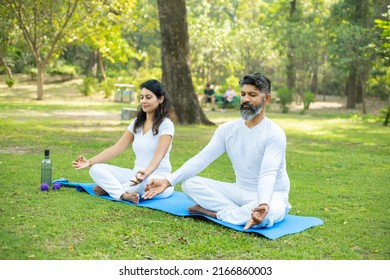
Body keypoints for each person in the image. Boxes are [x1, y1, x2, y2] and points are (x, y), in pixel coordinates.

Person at [142, 73, 291, 230]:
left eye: (252, 95)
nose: (246, 99)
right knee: (190, 184)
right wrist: (167, 181)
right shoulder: (227, 130)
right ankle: (240, 214)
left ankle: (214, 213)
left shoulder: (274, 133)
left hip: (272, 195)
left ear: (266, 99)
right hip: (239, 192)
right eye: (243, 94)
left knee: (267, 214)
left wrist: (263, 203)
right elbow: (202, 158)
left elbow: (268, 174)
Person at [72, 79, 175, 204]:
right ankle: (123, 194)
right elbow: (116, 148)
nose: (144, 101)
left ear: (161, 99)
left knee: (144, 186)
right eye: (141, 97)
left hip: (157, 178)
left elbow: (159, 156)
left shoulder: (166, 125)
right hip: (135, 175)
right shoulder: (137, 123)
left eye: (148, 97)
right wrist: (89, 162)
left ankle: (111, 189)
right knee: (96, 169)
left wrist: (145, 173)